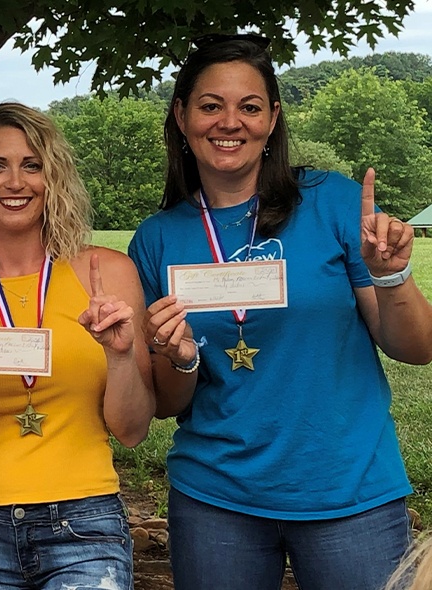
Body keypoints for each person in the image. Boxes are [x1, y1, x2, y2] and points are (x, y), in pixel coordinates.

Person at [128, 34, 432, 590]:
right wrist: (178, 356)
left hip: (349, 491)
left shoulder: (333, 202)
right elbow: (169, 403)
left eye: (249, 107)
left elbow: (416, 348)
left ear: (272, 119)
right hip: (215, 499)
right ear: (181, 115)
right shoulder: (156, 240)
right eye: (210, 105)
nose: (229, 122)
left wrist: (391, 276)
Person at [0, 102, 155, 589]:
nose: (15, 182)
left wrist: (120, 355)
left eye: (32, 165)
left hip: (85, 524)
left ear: (53, 176)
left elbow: (132, 430)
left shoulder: (105, 275)